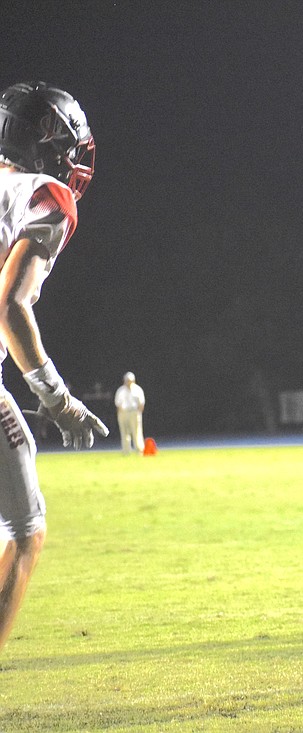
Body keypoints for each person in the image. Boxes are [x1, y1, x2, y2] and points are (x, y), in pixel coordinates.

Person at [0, 82, 107, 653]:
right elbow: (10, 303)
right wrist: (58, 398)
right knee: (24, 531)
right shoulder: (45, 196)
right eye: (69, 143)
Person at [114, 371, 146, 453]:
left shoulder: (138, 390)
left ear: (133, 381)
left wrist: (138, 412)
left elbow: (141, 402)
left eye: (130, 380)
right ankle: (126, 450)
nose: (128, 382)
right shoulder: (120, 390)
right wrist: (120, 413)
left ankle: (139, 449)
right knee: (124, 432)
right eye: (127, 380)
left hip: (134, 412)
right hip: (123, 413)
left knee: (137, 431)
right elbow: (117, 403)